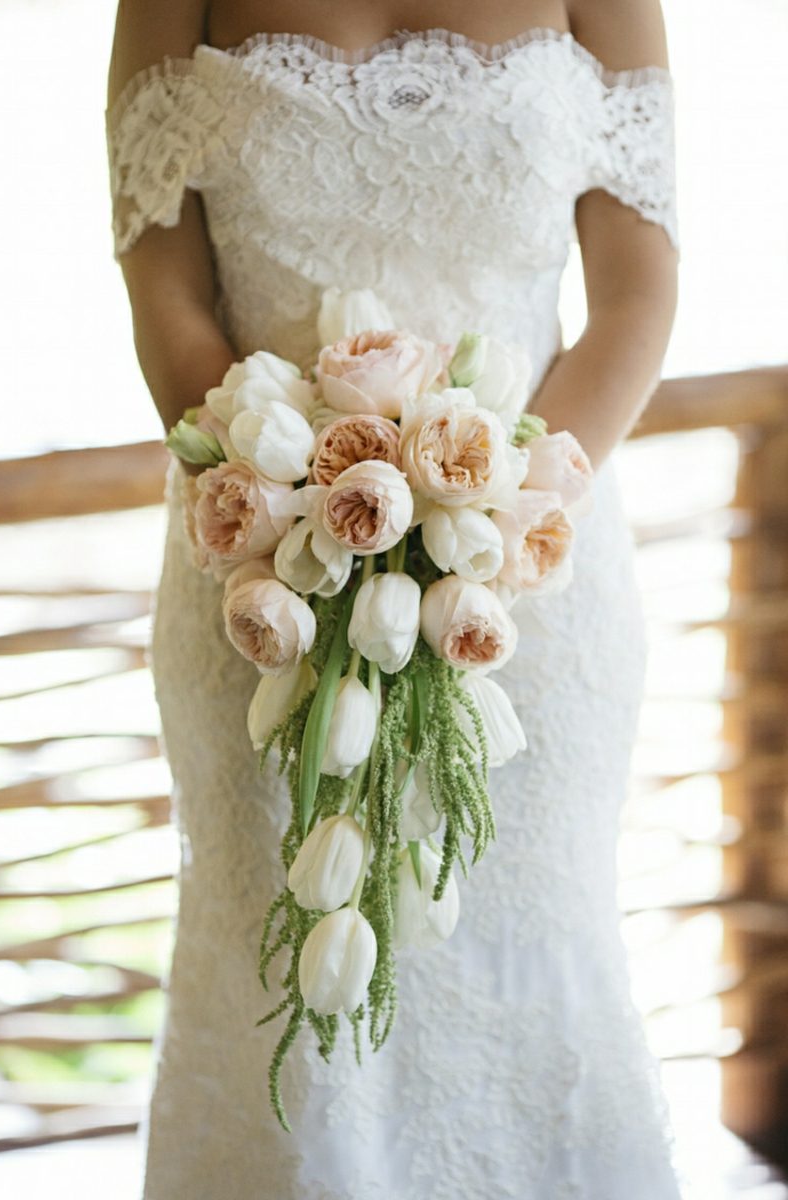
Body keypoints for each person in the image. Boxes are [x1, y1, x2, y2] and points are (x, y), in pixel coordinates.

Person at [106, 2, 683, 1197]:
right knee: (276, 978)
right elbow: (165, 291)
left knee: (530, 962)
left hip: (530, 583)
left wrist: (481, 520)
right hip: (258, 581)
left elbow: (636, 294)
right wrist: (292, 507)